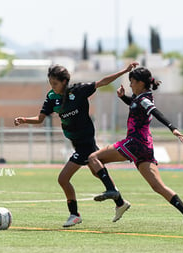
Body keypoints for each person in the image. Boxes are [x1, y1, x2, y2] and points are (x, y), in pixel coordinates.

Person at [14, 62, 138, 227]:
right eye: (51, 83)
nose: (53, 87)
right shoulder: (52, 98)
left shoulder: (78, 90)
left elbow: (102, 82)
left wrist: (124, 70)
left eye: (55, 83)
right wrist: (24, 120)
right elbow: (40, 119)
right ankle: (120, 202)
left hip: (85, 143)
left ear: (64, 82)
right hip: (77, 144)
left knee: (63, 178)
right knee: (97, 170)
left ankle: (75, 214)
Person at [88, 67, 183, 233]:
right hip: (145, 146)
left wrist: (172, 128)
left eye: (132, 82)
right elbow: (135, 105)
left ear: (140, 83)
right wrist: (122, 97)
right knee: (157, 186)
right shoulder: (139, 97)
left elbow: (155, 111)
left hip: (134, 142)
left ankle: (115, 195)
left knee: (93, 158)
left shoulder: (144, 99)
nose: (130, 85)